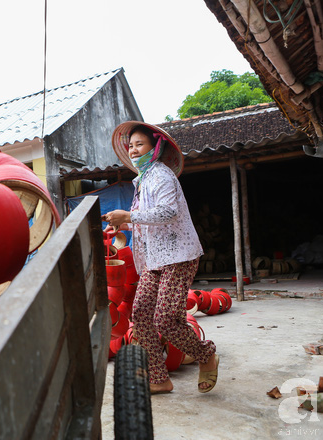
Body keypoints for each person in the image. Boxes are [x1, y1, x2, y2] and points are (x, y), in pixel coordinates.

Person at [102, 121, 219, 394]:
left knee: (166, 319)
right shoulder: (142, 180)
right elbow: (149, 220)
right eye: (130, 146)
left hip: (178, 255)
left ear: (155, 148)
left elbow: (168, 213)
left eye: (139, 145)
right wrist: (125, 224)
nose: (133, 151)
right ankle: (158, 378)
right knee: (141, 314)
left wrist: (129, 215)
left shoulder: (162, 175)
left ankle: (206, 354)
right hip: (153, 259)